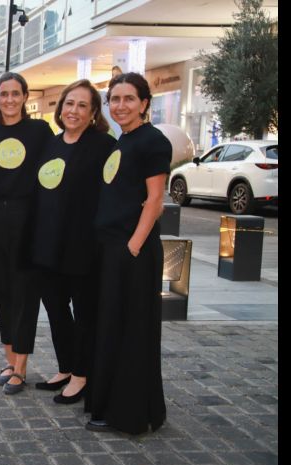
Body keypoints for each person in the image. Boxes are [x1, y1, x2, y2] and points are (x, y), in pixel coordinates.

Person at [86, 72, 171, 434]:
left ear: (144, 103)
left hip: (132, 252)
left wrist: (132, 247)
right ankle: (112, 404)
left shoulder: (153, 141)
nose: (120, 106)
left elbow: (155, 200)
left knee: (132, 331)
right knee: (113, 327)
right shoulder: (124, 140)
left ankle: (129, 414)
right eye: (115, 99)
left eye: (129, 99)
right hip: (112, 249)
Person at [31, 79, 116, 406]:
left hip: (83, 245)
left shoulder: (103, 146)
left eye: (82, 105)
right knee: (55, 310)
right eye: (69, 103)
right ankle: (66, 367)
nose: (74, 110)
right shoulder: (51, 145)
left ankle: (82, 374)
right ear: (60, 107)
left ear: (93, 112)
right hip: (47, 243)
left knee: (84, 313)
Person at [0, 72, 54, 395]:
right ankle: (9, 360)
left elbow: (56, 170)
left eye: (15, 93)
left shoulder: (40, 132)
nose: (9, 99)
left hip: (27, 218)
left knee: (25, 292)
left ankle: (21, 367)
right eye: (3, 94)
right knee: (0, 290)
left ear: (24, 97)